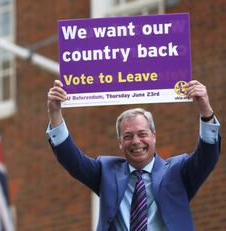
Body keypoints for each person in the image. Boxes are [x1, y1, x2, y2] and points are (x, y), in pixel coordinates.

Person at [46, 80, 221, 231]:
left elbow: (207, 156)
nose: (136, 141)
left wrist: (205, 109)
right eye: (128, 136)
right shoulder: (106, 171)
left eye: (142, 134)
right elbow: (72, 160)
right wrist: (55, 112)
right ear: (120, 142)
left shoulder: (179, 171)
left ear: (154, 136)